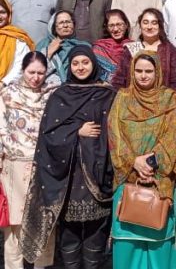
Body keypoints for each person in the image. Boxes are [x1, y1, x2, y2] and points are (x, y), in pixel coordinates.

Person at [20, 45, 115, 269]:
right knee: (69, 232)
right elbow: (49, 134)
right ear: (69, 67)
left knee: (96, 230)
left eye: (85, 62)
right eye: (75, 63)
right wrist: (76, 131)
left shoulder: (107, 94)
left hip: (98, 173)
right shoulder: (60, 95)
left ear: (93, 64)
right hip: (68, 177)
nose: (80, 67)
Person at [108, 51, 176, 268]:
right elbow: (114, 136)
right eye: (139, 70)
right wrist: (133, 161)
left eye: (148, 71)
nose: (143, 76)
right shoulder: (122, 99)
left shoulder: (171, 100)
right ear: (132, 71)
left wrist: (149, 163)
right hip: (128, 181)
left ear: (158, 72)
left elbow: (174, 137)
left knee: (160, 248)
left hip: (159, 181)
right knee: (127, 247)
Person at [0, 51, 57, 269]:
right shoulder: (8, 95)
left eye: (40, 73)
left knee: (42, 221)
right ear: (23, 70)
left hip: (44, 164)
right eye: (31, 72)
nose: (36, 77)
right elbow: (1, 127)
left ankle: (41, 266)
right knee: (14, 226)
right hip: (13, 164)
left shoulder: (52, 95)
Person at [112, 8, 176, 99]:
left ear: (160, 25)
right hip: (133, 105)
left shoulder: (170, 51)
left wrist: (167, 102)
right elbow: (119, 80)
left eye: (154, 23)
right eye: (145, 22)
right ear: (140, 25)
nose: (149, 27)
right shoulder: (132, 50)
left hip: (162, 106)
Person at [36, 10, 91, 84]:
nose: (65, 25)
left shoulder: (84, 46)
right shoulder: (44, 44)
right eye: (61, 23)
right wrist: (48, 52)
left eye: (68, 22)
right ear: (53, 26)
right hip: (49, 86)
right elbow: (34, 70)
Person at [0, 0, 35, 89]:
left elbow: (21, 65)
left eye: (2, 12)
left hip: (8, 88)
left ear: (9, 14)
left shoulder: (17, 37)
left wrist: (3, 83)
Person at [93, 9, 132, 82]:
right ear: (107, 28)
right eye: (111, 25)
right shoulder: (99, 49)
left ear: (126, 25)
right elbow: (98, 73)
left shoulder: (134, 46)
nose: (116, 29)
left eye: (119, 24)